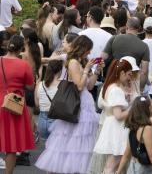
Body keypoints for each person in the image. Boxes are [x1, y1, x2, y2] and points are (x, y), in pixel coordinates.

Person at [36, 36, 101, 174]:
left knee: (78, 143)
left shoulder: (79, 62)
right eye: (88, 50)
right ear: (82, 48)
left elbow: (89, 86)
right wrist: (86, 69)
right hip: (76, 104)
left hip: (84, 104)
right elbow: (79, 85)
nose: (89, 53)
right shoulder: (73, 62)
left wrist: (95, 71)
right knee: (69, 142)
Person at [93, 59, 136, 173]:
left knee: (113, 164)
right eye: (129, 74)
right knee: (112, 165)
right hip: (117, 128)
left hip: (113, 126)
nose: (129, 78)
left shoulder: (110, 86)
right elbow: (118, 115)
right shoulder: (116, 89)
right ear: (122, 73)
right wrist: (134, 108)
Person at [0, 36, 35, 174]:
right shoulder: (23, 65)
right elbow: (30, 87)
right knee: (11, 145)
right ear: (21, 49)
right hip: (14, 104)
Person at [117, 96, 152, 174]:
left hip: (133, 166)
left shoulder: (133, 126)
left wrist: (118, 171)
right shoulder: (146, 128)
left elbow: (127, 154)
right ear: (148, 108)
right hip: (144, 169)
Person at [34, 59, 63, 144]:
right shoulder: (63, 84)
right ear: (60, 70)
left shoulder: (40, 84)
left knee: (46, 150)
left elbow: (37, 104)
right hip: (56, 120)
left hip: (42, 121)